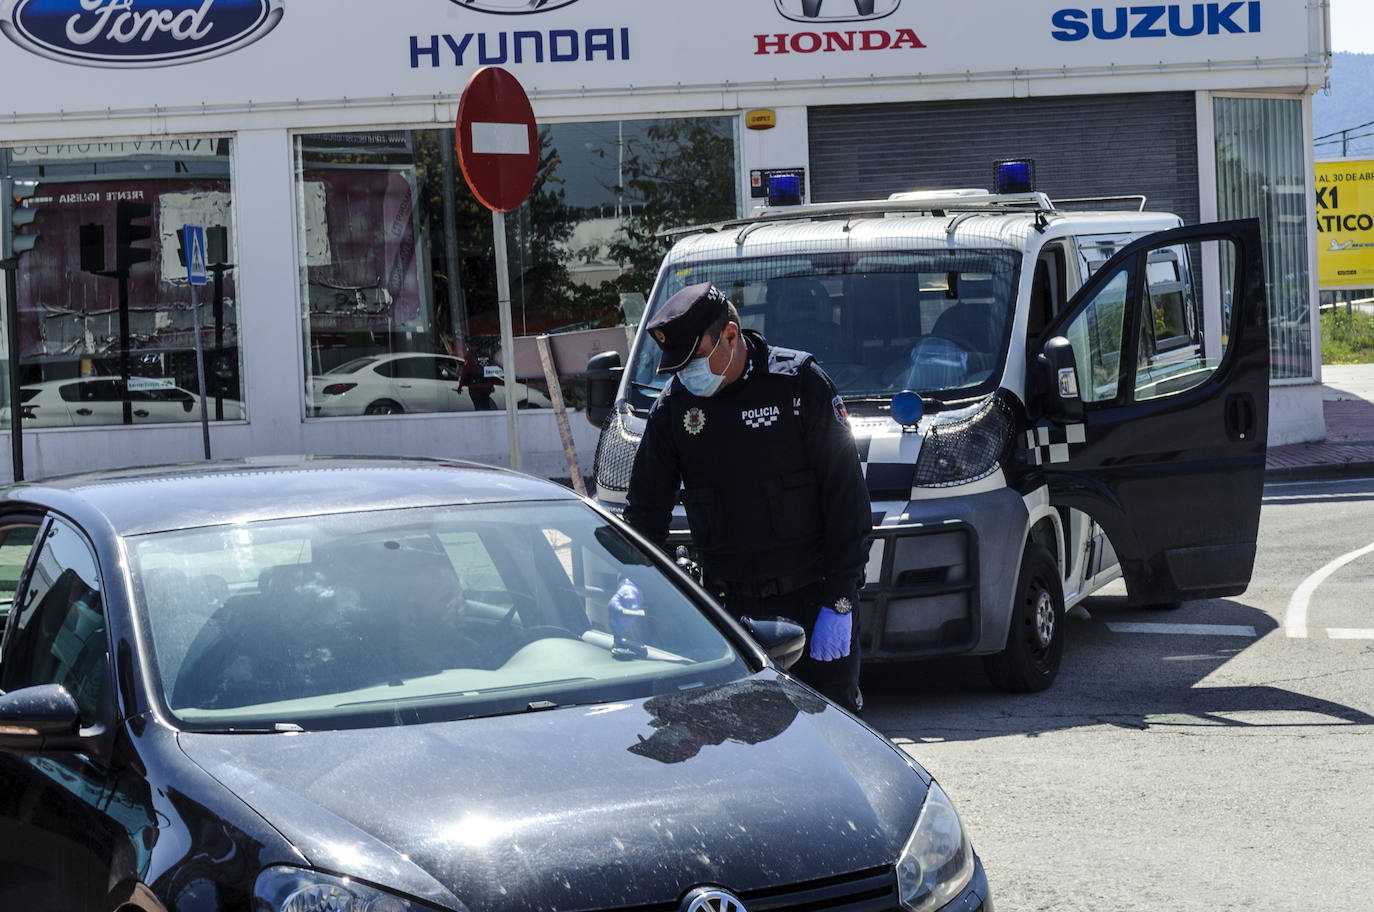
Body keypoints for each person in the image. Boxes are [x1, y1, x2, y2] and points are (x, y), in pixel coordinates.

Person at [622, 282, 872, 713]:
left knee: (830, 736)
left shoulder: (798, 386)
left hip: (811, 602)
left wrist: (840, 601)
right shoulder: (675, 409)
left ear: (731, 335)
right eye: (678, 366)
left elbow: (847, 501)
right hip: (728, 613)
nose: (687, 375)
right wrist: (630, 580)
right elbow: (646, 511)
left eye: (694, 360)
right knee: (743, 738)